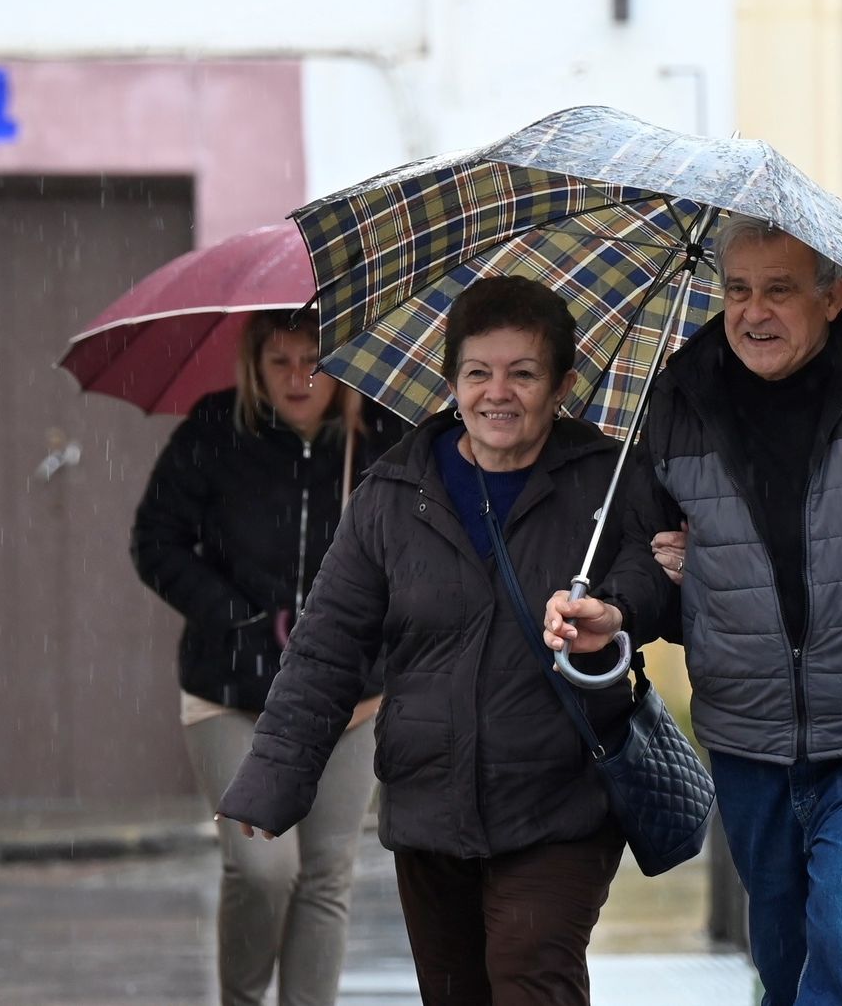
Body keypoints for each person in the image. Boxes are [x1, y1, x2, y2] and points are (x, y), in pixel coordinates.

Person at [545, 214, 842, 1005]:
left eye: (779, 290)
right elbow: (643, 558)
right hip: (747, 735)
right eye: (736, 290)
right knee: (783, 952)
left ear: (835, 296)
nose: (752, 312)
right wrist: (617, 612)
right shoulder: (680, 397)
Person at [215, 276, 675, 1006]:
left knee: (532, 976)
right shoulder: (392, 494)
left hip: (561, 798)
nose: (499, 392)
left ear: (562, 383)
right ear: (451, 381)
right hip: (431, 804)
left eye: (523, 373)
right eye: (478, 373)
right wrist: (274, 777)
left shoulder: (609, 479)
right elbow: (329, 648)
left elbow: (657, 575)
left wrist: (613, 611)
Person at [131, 308, 404, 1006]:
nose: (297, 378)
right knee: (261, 866)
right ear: (254, 362)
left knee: (323, 874)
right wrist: (240, 614)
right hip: (232, 692)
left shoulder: (383, 439)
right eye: (279, 361)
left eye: (314, 360)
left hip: (351, 697)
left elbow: (418, 555)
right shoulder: (216, 429)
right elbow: (155, 540)